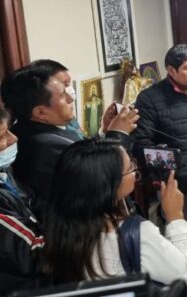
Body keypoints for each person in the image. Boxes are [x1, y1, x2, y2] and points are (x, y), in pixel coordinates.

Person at [42, 139, 187, 285]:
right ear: (109, 185)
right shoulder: (136, 233)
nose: (136, 171)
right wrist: (175, 217)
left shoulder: (58, 223)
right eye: (130, 167)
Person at [132, 44, 187, 280]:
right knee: (175, 229)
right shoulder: (151, 98)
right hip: (175, 182)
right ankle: (178, 279)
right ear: (171, 71)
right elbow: (141, 142)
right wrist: (166, 170)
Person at [1, 64, 137, 212]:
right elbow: (102, 179)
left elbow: (84, 149)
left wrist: (104, 132)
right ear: (41, 112)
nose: (70, 98)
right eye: (62, 95)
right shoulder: (46, 146)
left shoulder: (46, 126)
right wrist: (118, 134)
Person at [0, 107, 43, 296]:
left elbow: (32, 202)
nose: (13, 139)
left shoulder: (5, 171)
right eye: (2, 136)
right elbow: (33, 252)